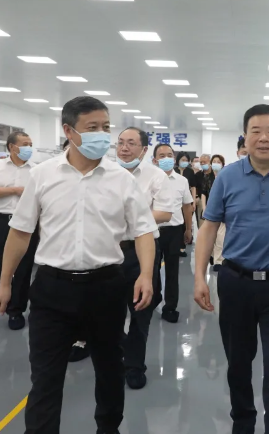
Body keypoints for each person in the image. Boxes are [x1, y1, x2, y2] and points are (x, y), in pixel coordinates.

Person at [0, 96, 157, 434]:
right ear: (69, 130)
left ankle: (108, 428)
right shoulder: (43, 175)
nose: (102, 135)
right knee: (45, 377)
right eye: (92, 127)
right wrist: (5, 283)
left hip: (106, 287)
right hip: (52, 289)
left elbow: (143, 231)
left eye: (105, 127)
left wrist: (146, 275)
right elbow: (20, 233)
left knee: (110, 370)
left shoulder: (121, 179)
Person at [194, 104, 269, 434]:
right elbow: (208, 228)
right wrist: (200, 277)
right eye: (256, 131)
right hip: (236, 282)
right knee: (238, 363)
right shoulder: (227, 177)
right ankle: (243, 422)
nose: (264, 138)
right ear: (245, 137)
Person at [116, 127, 174, 389]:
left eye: (131, 143)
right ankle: (118, 353)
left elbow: (164, 213)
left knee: (141, 309)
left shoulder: (156, 176)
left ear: (143, 149)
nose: (124, 148)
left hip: (142, 249)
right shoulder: (106, 172)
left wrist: (126, 218)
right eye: (120, 142)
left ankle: (135, 365)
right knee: (109, 309)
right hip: (109, 250)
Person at [0, 131, 38, 331]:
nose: (29, 147)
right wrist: (15, 190)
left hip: (27, 223)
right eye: (25, 144)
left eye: (30, 144)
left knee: (23, 268)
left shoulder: (36, 170)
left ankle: (16, 311)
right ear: (12, 147)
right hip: (2, 221)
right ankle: (7, 290)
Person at [152, 143, 194, 324]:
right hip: (152, 231)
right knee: (151, 269)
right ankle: (154, 298)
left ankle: (170, 307)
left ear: (174, 158)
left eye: (169, 155)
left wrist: (188, 229)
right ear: (154, 160)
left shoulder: (181, 181)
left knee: (172, 270)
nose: (166, 159)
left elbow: (187, 206)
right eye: (161, 156)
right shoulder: (149, 179)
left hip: (174, 231)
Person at [175, 152, 197, 257]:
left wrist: (193, 201)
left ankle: (182, 247)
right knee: (177, 225)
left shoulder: (190, 171)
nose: (184, 162)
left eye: (186, 160)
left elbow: (193, 187)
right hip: (176, 202)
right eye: (182, 160)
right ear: (178, 160)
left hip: (187, 201)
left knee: (185, 224)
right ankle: (176, 246)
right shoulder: (174, 170)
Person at [209, 154, 226, 272]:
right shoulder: (208, 177)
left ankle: (219, 261)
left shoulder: (225, 177)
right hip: (210, 211)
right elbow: (204, 193)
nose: (216, 164)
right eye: (214, 161)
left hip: (223, 211)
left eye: (218, 162)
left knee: (220, 236)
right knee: (211, 236)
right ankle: (212, 256)